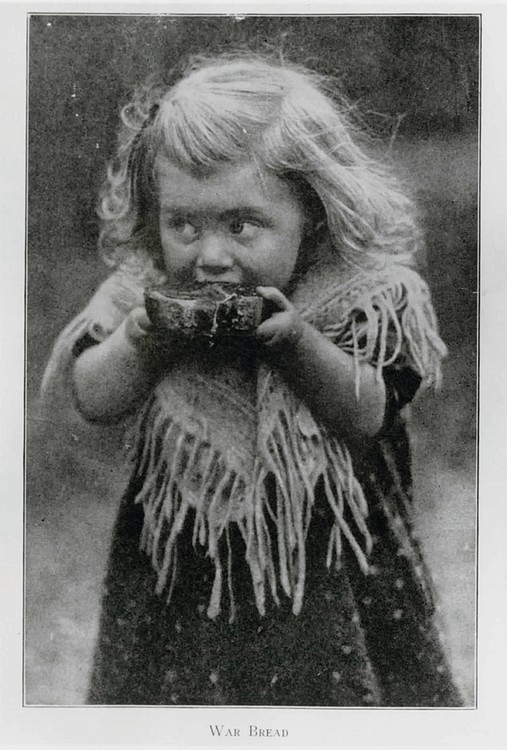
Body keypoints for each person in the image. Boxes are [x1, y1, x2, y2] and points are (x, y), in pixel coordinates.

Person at [41, 53, 462, 706]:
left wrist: (297, 342)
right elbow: (93, 396)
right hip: (182, 562)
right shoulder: (146, 291)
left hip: (329, 565)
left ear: (313, 211)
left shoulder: (356, 297)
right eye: (183, 224)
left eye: (240, 225)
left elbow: (365, 415)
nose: (209, 257)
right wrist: (142, 340)